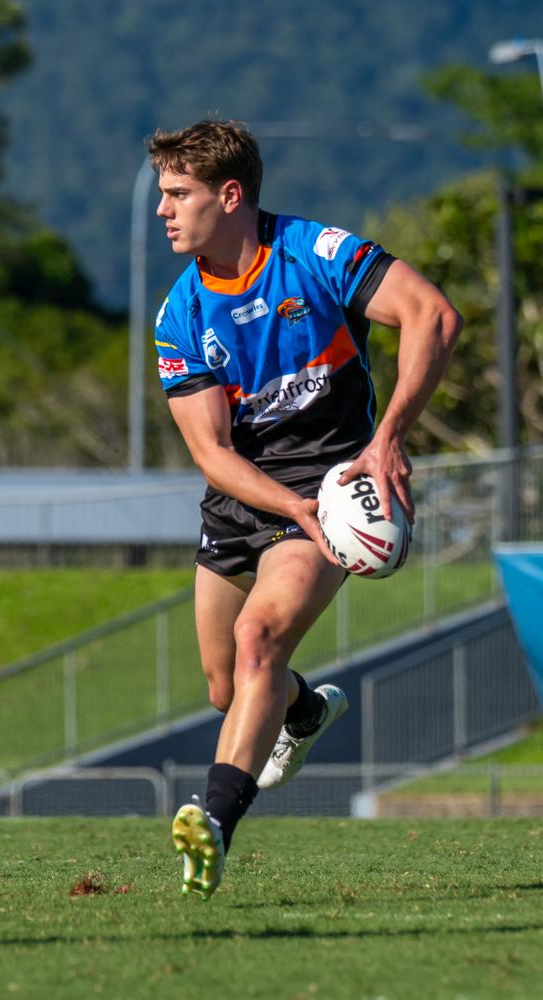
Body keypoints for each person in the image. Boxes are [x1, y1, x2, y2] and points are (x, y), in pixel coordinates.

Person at [148, 119, 462, 901]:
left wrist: (387, 439)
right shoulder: (179, 315)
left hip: (332, 485)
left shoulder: (316, 255)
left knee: (260, 639)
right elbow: (212, 453)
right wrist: (286, 502)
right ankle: (301, 711)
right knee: (227, 685)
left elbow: (433, 316)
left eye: (178, 194)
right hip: (247, 497)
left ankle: (213, 821)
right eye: (162, 194)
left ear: (230, 195)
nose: (163, 210)